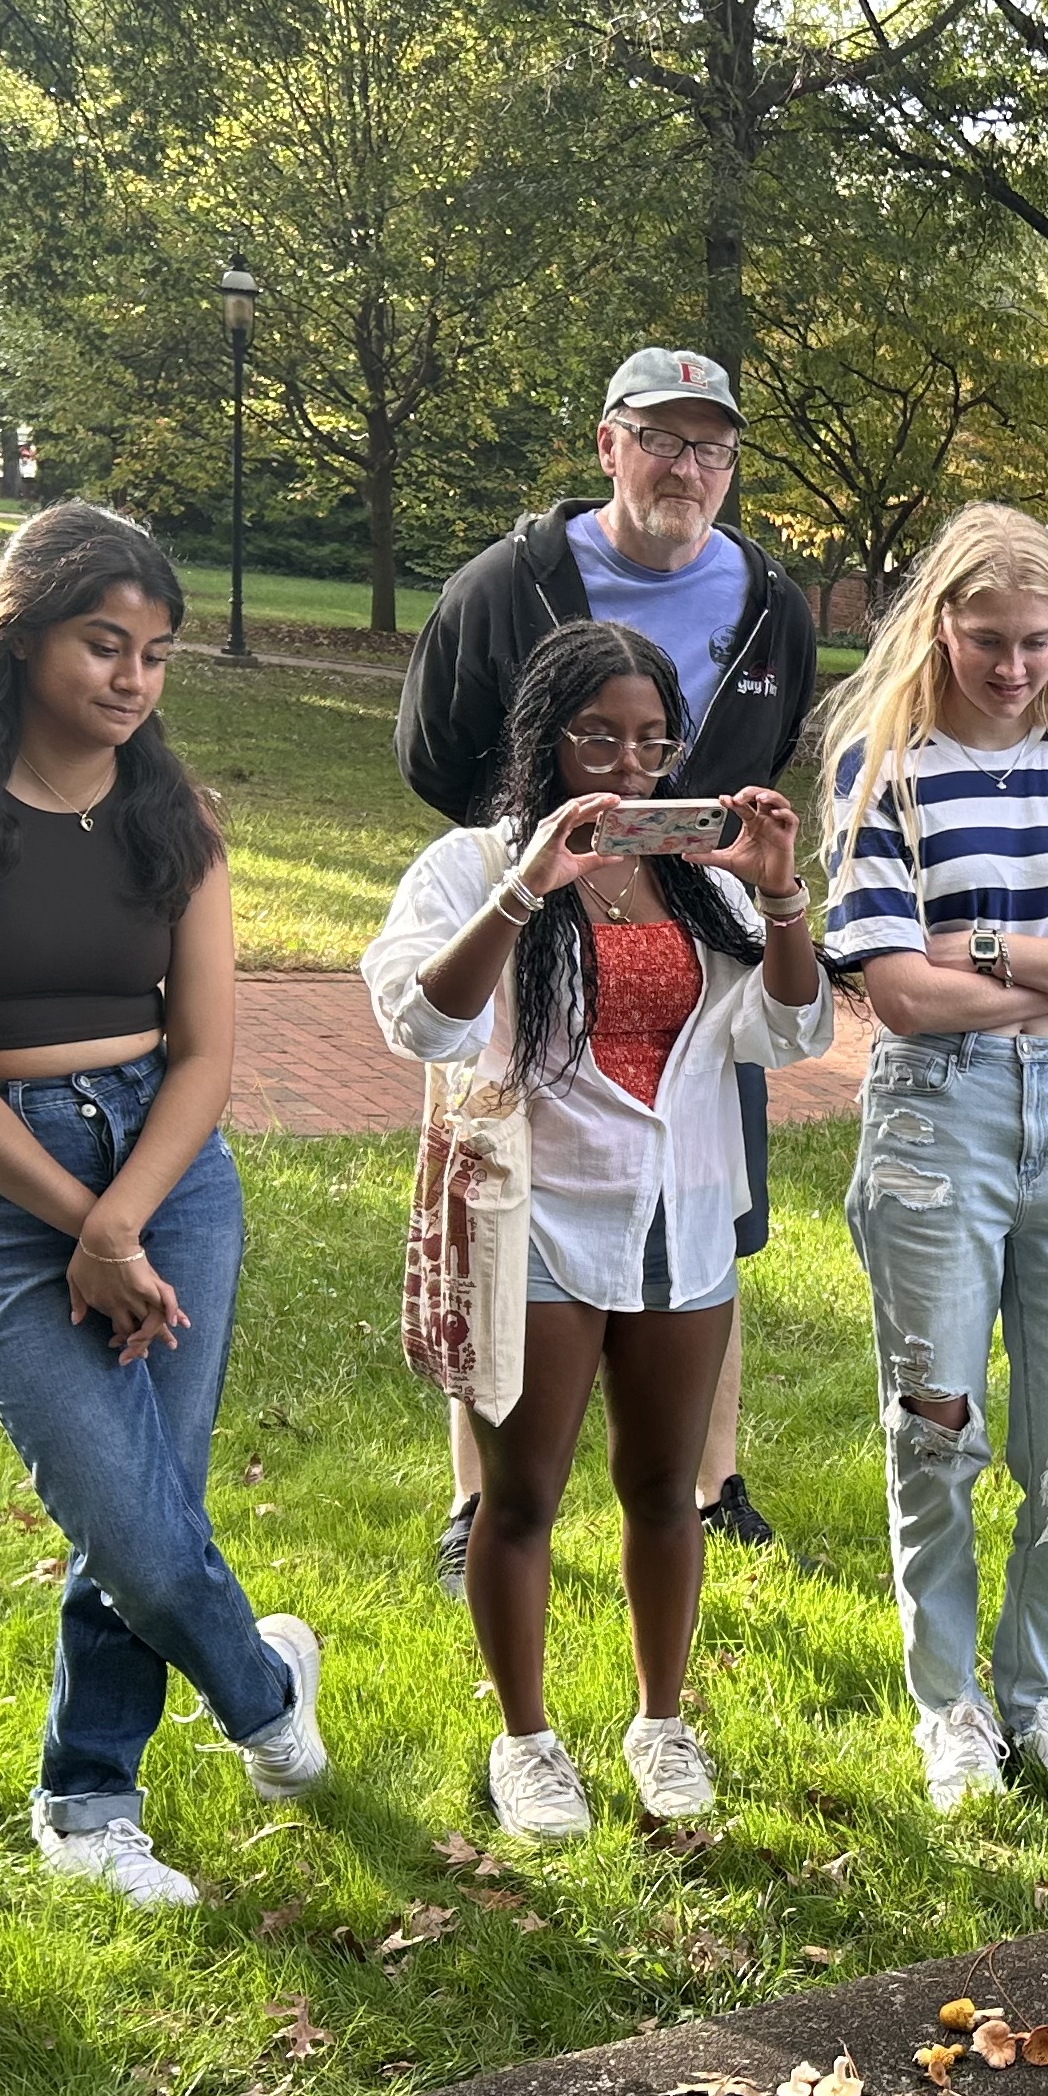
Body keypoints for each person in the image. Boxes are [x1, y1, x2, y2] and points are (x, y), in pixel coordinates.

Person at [0, 503, 330, 1909]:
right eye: (102, 644)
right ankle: (264, 1687)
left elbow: (207, 1054)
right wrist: (81, 1223)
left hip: (168, 1171)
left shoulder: (173, 815)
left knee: (146, 1503)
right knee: (123, 1507)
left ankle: (86, 1797)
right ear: (22, 642)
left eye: (156, 654)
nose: (132, 679)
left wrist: (124, 1221)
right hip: (2, 1175)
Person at [366, 622, 830, 1835]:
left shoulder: (701, 878)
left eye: (650, 741)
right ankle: (527, 1740)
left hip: (679, 1214)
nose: (628, 767)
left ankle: (660, 1723)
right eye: (600, 739)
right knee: (521, 1496)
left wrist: (778, 889)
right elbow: (423, 1023)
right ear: (547, 739)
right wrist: (533, 884)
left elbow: (790, 1033)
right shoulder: (472, 864)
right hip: (538, 1220)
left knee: (665, 1490)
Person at [396, 348, 821, 1583]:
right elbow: (435, 751)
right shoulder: (507, 584)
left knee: (708, 1205)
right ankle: (479, 1495)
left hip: (695, 934)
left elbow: (770, 741)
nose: (687, 468)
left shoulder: (770, 603)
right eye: (663, 440)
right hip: (528, 936)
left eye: (712, 448)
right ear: (608, 445)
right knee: (495, 1195)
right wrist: (526, 859)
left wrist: (725, 869)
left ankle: (711, 1476)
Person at [814, 505, 1048, 1816]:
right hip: (932, 1121)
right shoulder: (880, 767)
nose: (1012, 667)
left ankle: (1043, 1699)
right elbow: (898, 1001)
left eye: (1034, 642)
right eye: (987, 641)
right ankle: (951, 1704)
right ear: (939, 627)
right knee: (939, 1432)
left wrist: (988, 951)